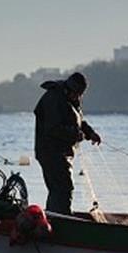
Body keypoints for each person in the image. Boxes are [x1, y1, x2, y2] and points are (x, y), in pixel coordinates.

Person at [33, 72, 101, 214]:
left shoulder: (70, 98)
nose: (78, 97)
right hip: (50, 151)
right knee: (62, 187)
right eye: (76, 94)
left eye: (80, 95)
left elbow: (76, 120)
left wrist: (89, 133)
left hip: (62, 152)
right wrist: (76, 135)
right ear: (69, 89)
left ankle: (55, 216)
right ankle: (58, 219)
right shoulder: (53, 98)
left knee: (61, 187)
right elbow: (53, 128)